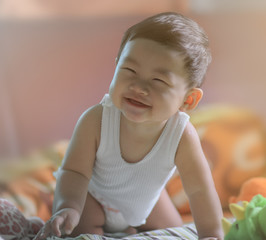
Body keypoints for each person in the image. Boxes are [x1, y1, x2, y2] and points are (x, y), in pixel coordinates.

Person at [35, 12, 223, 239]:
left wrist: (211, 234)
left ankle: (131, 229)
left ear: (188, 100)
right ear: (116, 67)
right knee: (74, 230)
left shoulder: (182, 135)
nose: (139, 87)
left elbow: (199, 189)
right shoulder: (97, 120)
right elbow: (74, 171)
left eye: (158, 81)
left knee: (176, 233)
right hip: (93, 198)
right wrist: (68, 207)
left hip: (147, 203)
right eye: (129, 71)